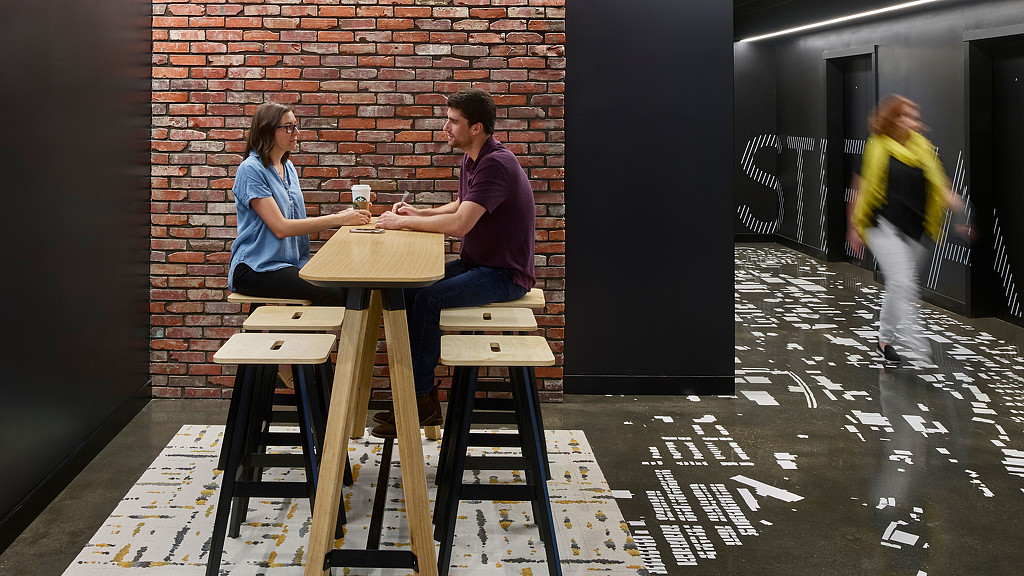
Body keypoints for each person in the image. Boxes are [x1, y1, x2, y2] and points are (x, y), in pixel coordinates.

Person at [369, 88, 536, 438]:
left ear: (476, 127)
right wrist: (420, 212)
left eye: (452, 121)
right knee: (413, 291)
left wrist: (402, 223)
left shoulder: (495, 163)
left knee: (428, 300)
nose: (445, 127)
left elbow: (460, 224)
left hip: (505, 274)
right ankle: (421, 397)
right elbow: (462, 203)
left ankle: (417, 399)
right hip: (481, 263)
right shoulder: (475, 158)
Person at [850, 95, 964, 363]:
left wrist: (956, 205)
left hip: (916, 229)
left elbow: (939, 183)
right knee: (903, 283)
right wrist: (853, 227)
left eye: (914, 116)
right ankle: (915, 342)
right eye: (904, 116)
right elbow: (860, 187)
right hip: (881, 225)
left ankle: (884, 340)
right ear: (892, 118)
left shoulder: (923, 149)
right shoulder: (877, 147)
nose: (912, 121)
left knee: (897, 286)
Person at [227, 102, 371, 306]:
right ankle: (305, 338)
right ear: (268, 130)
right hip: (255, 268)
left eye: (296, 125)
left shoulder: (288, 167)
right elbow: (280, 228)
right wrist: (339, 219)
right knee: (332, 293)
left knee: (354, 285)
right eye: (288, 127)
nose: (296, 132)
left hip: (289, 264)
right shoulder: (251, 170)